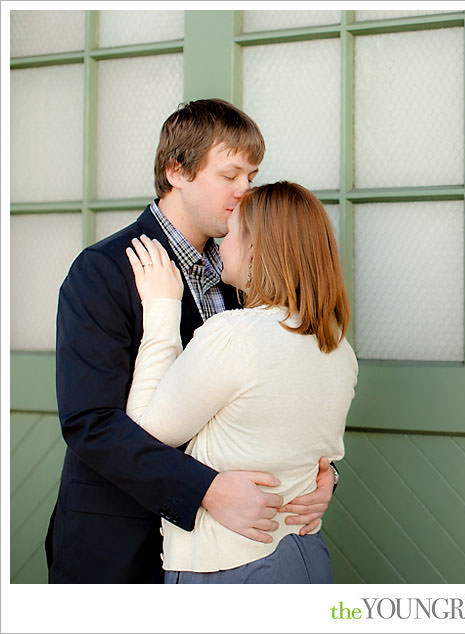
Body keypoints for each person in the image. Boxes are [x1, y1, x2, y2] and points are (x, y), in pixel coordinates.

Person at [46, 99, 336, 583]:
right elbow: (90, 423)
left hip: (227, 558)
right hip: (119, 548)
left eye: (252, 175)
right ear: (176, 170)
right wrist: (206, 490)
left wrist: (321, 475)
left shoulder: (245, 274)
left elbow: (273, 396)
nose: (246, 190)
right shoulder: (104, 270)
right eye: (231, 175)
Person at [124, 181, 356, 582]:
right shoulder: (338, 348)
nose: (219, 243)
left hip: (232, 568)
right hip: (304, 555)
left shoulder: (234, 334)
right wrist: (330, 477)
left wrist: (162, 312)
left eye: (230, 232)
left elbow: (144, 433)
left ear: (254, 248)